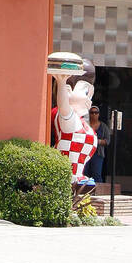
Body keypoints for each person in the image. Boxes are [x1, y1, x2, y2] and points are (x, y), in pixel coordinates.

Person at [51, 60, 97, 200]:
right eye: (85, 90)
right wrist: (61, 82)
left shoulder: (80, 121)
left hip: (77, 178)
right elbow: (64, 107)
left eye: (90, 92)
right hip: (67, 178)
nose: (89, 97)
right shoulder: (68, 119)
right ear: (67, 91)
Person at [86, 105, 110, 184]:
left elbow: (107, 141)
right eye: (92, 112)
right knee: (84, 173)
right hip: (86, 152)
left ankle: (99, 190)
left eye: (96, 113)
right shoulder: (85, 125)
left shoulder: (103, 126)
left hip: (98, 153)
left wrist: (97, 141)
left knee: (96, 173)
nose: (94, 114)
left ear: (99, 114)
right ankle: (84, 189)